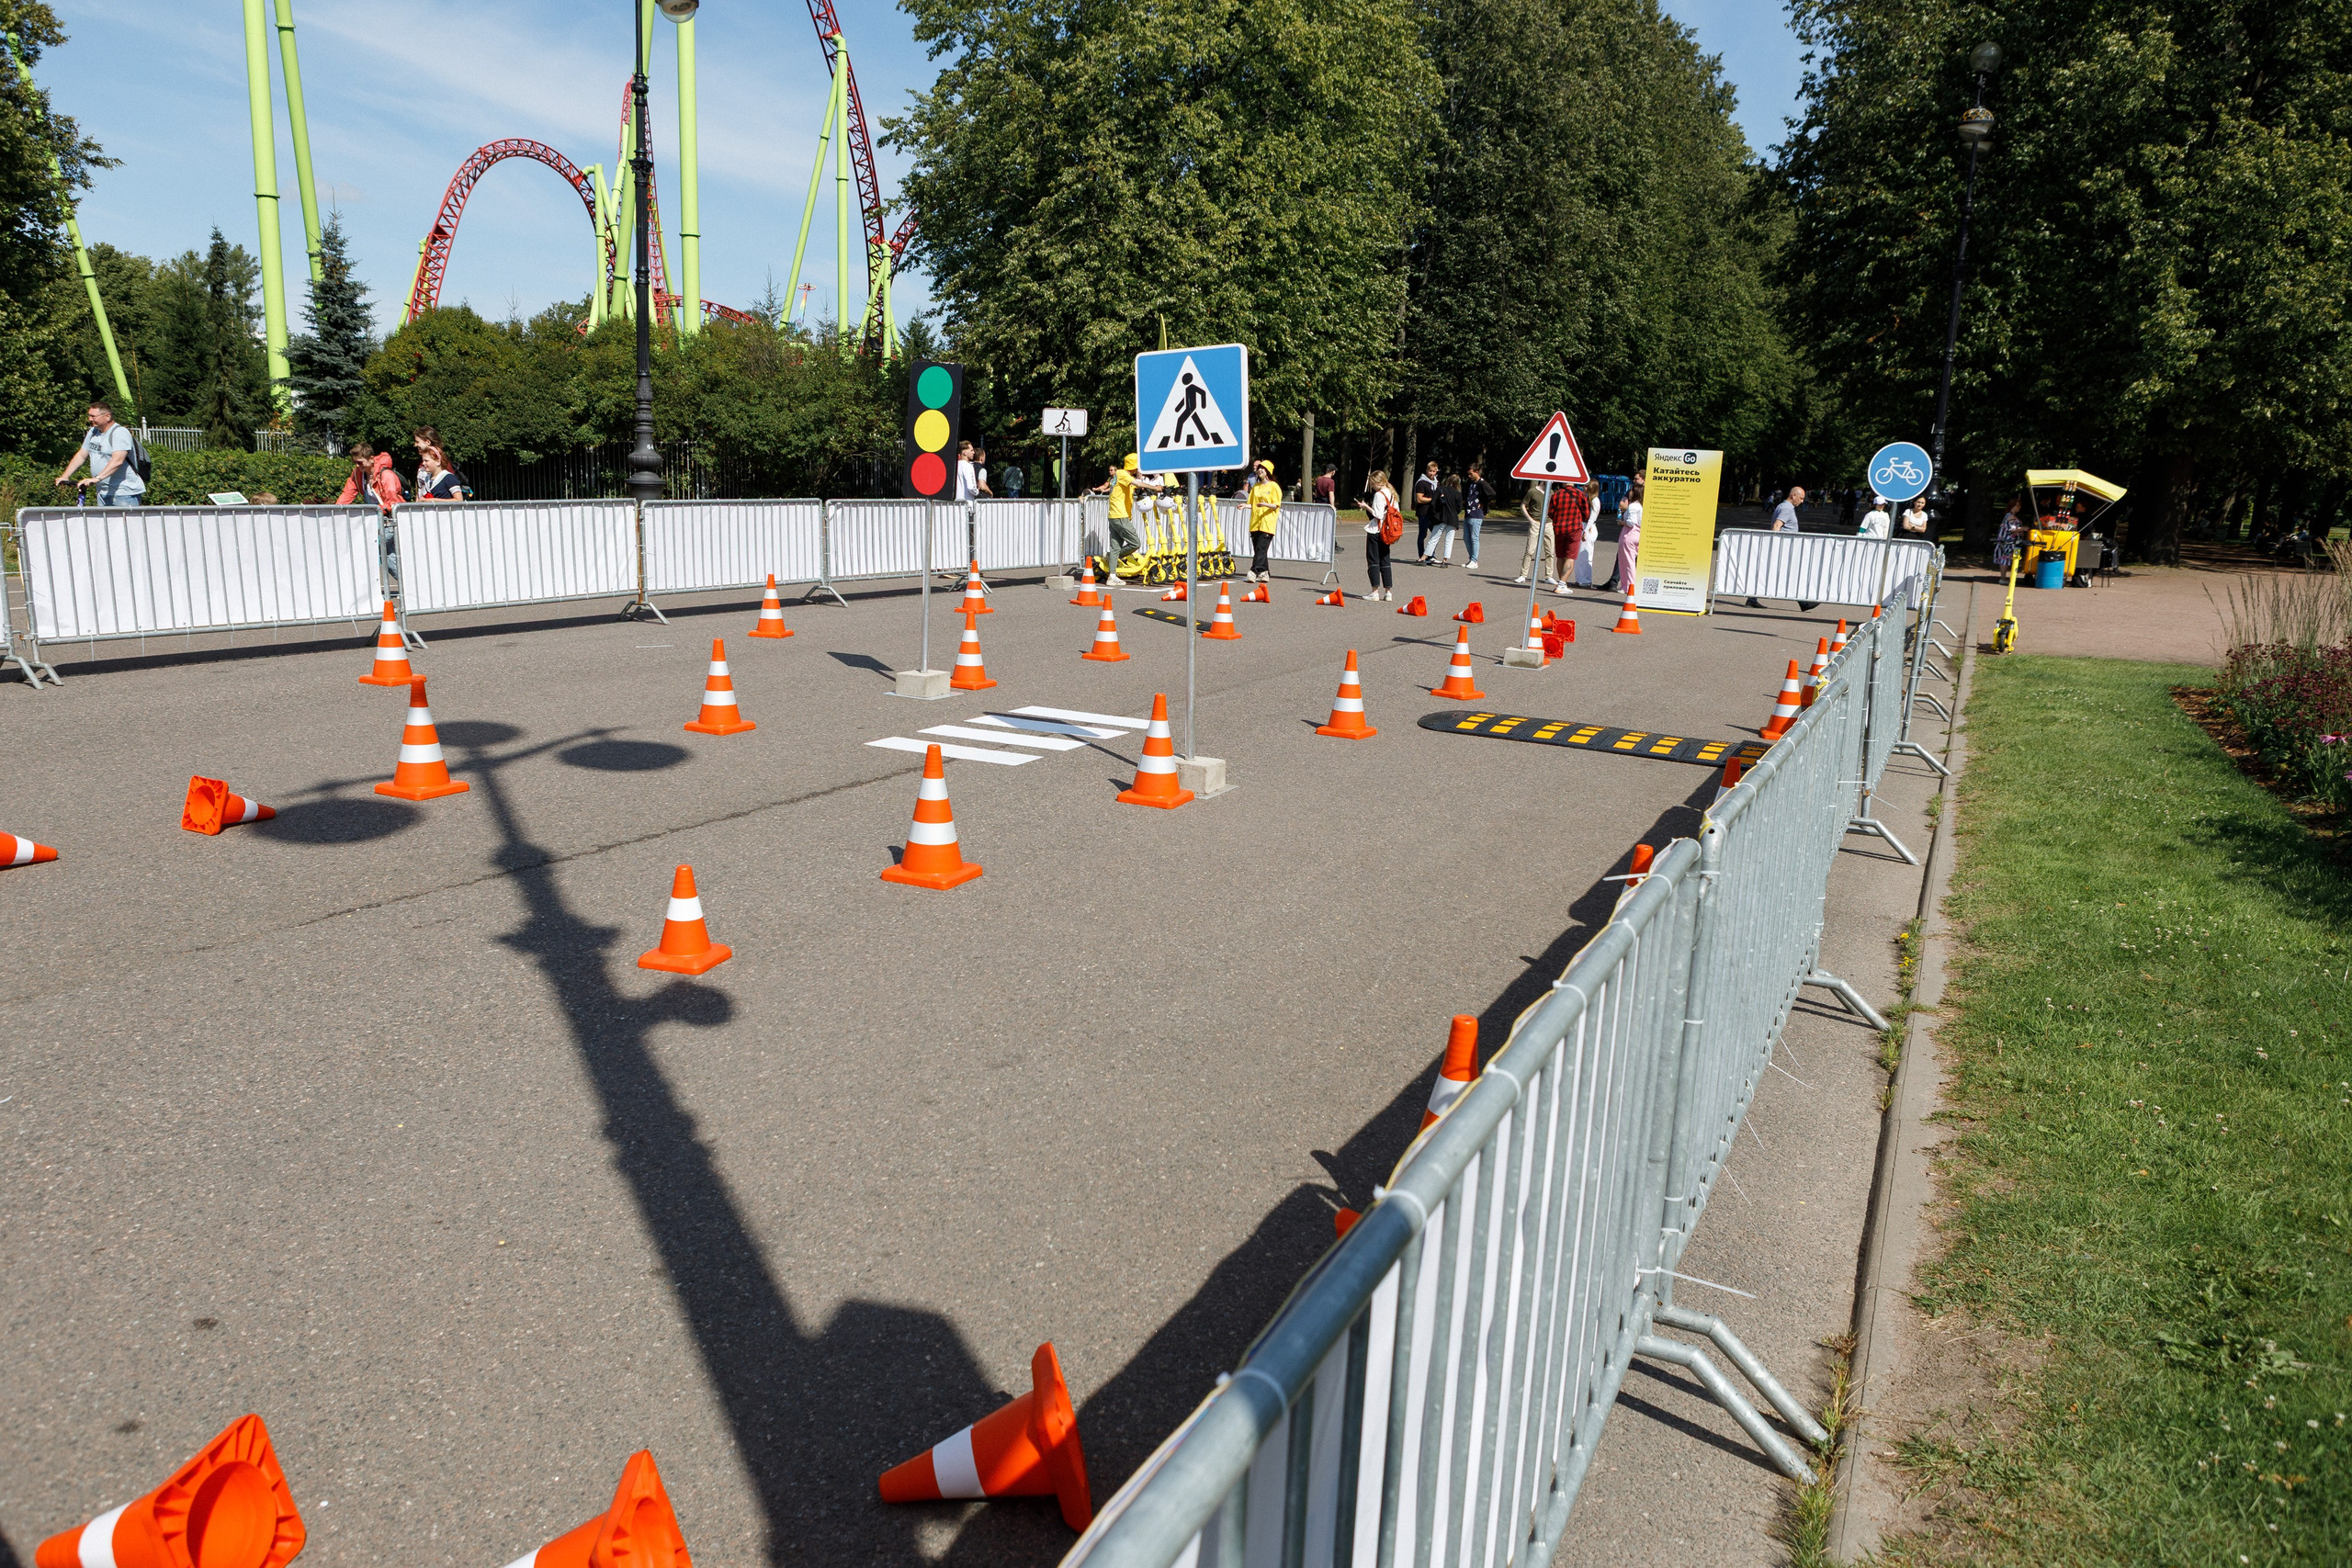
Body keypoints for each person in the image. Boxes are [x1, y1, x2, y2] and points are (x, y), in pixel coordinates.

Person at [54, 402, 145, 506]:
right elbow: (81, 455)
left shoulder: (119, 433)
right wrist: (65, 476)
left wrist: (96, 478)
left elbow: (118, 461)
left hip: (123, 494)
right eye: (89, 415)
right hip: (102, 492)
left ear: (107, 416)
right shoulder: (93, 432)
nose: (89, 419)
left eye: (93, 416)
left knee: (124, 523)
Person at [1746, 483, 1819, 611]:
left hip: (1784, 547)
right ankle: (1803, 603)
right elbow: (1776, 526)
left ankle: (1752, 599)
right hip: (1783, 548)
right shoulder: (1787, 508)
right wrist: (1777, 546)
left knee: (1773, 574)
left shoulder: (1783, 506)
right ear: (1793, 495)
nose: (1802, 501)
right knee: (1789, 574)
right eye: (1801, 498)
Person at [1087, 454, 1144, 582]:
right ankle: (1112, 556)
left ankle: (1112, 576)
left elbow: (1134, 486)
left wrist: (1141, 482)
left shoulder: (1120, 477)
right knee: (1135, 543)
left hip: (1114, 515)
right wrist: (1156, 487)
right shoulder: (1123, 474)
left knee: (1115, 546)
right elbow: (1136, 484)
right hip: (1120, 515)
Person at [1362, 468, 1400, 601]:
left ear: (1379, 482)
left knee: (1373, 560)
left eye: (1373, 484)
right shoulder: (1392, 494)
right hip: (1387, 531)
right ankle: (1388, 592)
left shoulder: (1379, 495)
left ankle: (1374, 592)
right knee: (1385, 560)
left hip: (1376, 530)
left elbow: (1377, 514)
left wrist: (1366, 506)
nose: (1372, 486)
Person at [337, 438, 405, 511]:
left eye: (360, 462)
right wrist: (335, 511)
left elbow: (392, 502)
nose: (357, 466)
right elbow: (347, 495)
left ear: (371, 459)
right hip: (374, 514)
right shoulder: (358, 473)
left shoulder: (386, 475)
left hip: (392, 515)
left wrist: (374, 513)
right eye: (355, 462)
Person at [1246, 458, 1283, 582]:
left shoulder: (1274, 486)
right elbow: (1253, 504)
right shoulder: (1255, 487)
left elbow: (1276, 504)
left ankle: (1254, 571)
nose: (1260, 470)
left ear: (1268, 471)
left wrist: (1266, 505)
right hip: (1255, 523)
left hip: (1267, 523)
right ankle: (1264, 573)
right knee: (1259, 549)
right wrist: (1245, 506)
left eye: (1263, 468)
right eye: (1259, 468)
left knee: (1261, 549)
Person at [1613, 479, 1643, 593]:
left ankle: (1628, 586)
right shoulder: (1641, 506)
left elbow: (1631, 522)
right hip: (1638, 533)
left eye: (1631, 491)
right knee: (1630, 561)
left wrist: (1621, 522)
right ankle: (1627, 585)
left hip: (1629, 534)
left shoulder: (1633, 506)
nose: (1629, 493)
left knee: (1626, 562)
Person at [1462, 463, 1492, 570]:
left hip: (1476, 514)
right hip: (1468, 513)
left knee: (1474, 538)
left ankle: (1474, 560)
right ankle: (1471, 559)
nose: (1469, 476)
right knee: (1466, 538)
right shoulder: (1471, 483)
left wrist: (1483, 503)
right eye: (1468, 474)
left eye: (1471, 474)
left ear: (1476, 472)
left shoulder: (1482, 483)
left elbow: (1491, 494)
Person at [1428, 472, 1463, 564]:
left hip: (1441, 517)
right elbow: (1459, 508)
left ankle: (1424, 557)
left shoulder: (1441, 489)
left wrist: (1435, 513)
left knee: (1434, 538)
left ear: (1448, 480)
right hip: (1453, 519)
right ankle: (1445, 560)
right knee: (1449, 540)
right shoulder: (1458, 494)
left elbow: (1433, 503)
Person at [1412, 460, 1441, 563]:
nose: (1431, 473)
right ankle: (1422, 556)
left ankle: (1431, 556)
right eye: (1430, 471)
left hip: (1433, 513)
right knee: (1422, 535)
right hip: (1423, 512)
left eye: (1434, 471)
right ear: (1426, 471)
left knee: (1435, 534)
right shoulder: (1421, 482)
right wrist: (1433, 500)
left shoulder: (1436, 482)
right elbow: (1419, 499)